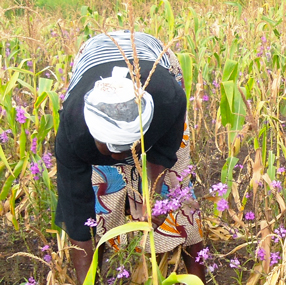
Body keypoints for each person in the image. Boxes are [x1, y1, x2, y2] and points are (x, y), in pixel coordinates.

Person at [54, 31, 205, 283]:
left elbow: (165, 152)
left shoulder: (168, 100)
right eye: (111, 149)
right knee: (102, 189)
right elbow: (76, 208)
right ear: (95, 135)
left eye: (128, 148)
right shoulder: (73, 132)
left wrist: (152, 195)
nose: (118, 156)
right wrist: (85, 280)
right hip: (94, 56)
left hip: (153, 60)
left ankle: (197, 274)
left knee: (176, 188)